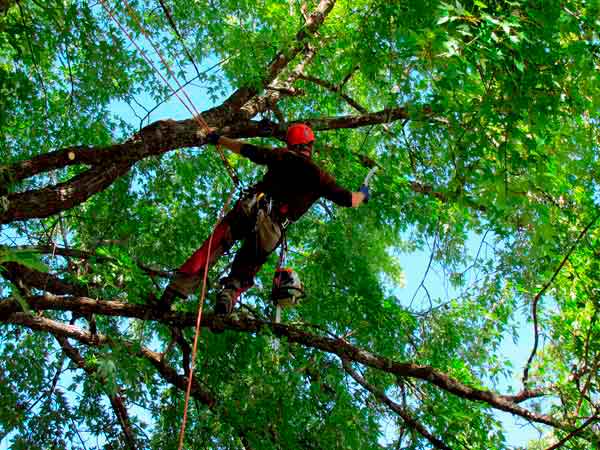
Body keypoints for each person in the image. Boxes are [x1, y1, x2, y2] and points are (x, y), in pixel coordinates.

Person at [161, 123, 370, 315]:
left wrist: (218, 139)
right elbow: (350, 200)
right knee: (246, 266)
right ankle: (228, 296)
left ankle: (173, 292)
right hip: (272, 229)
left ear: (291, 144)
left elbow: (247, 150)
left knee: (213, 246)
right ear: (310, 145)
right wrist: (363, 193)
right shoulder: (320, 177)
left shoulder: (281, 156)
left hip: (251, 209)